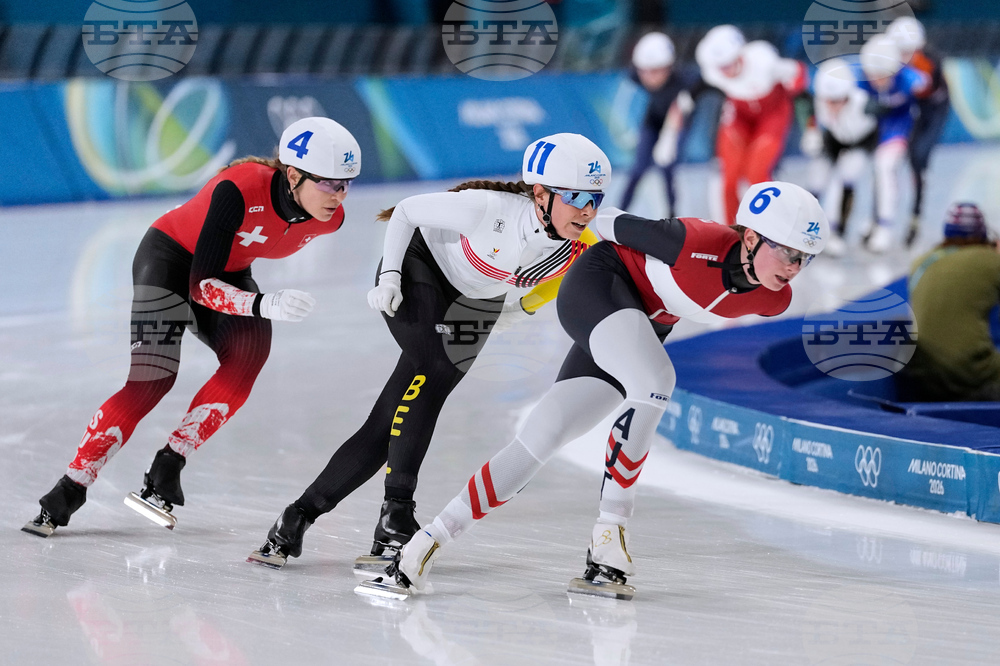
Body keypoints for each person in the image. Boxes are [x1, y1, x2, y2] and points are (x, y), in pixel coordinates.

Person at [357, 180, 828, 601]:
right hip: (599, 286)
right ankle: (611, 533)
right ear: (749, 237)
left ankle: (426, 543)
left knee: (544, 434)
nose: (795, 267)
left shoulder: (774, 298)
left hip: (638, 325)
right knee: (657, 380)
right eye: (788, 252)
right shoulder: (692, 240)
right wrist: (530, 291)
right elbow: (596, 224)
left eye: (804, 258)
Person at [247, 133, 609, 570]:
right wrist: (390, 278)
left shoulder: (579, 242)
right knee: (434, 368)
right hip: (421, 271)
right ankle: (397, 510)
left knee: (389, 420)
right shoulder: (489, 209)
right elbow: (406, 212)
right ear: (540, 194)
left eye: (594, 197)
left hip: (478, 303)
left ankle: (298, 516)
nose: (586, 209)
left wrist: (513, 312)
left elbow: (544, 287)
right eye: (574, 196)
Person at [22, 117, 362, 537]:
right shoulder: (237, 188)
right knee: (152, 380)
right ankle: (70, 488)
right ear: (293, 175)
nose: (339, 196)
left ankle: (169, 463)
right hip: (169, 259)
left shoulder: (330, 218)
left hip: (227, 270)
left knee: (248, 356)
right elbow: (200, 287)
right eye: (329, 183)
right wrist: (262, 302)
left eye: (347, 184)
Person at [695, 25, 807, 225]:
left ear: (740, 55)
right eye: (721, 67)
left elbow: (798, 74)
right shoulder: (711, 72)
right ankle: (733, 233)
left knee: (755, 174)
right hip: (740, 115)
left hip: (772, 114)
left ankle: (777, 228)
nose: (726, 71)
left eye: (729, 64)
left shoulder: (764, 61)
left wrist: (808, 120)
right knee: (729, 180)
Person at [898, 203, 1000, 402]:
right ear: (982, 234)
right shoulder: (989, 260)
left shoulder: (921, 262)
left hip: (923, 376)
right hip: (971, 374)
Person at [855, 34, 930, 253]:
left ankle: (885, 226)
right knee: (873, 174)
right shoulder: (860, 79)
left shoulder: (909, 79)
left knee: (885, 167)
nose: (877, 81)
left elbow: (926, 85)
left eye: (882, 76)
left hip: (901, 129)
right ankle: (874, 218)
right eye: (872, 76)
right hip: (874, 130)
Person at [619, 31, 699, 217]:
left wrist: (671, 136)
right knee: (638, 169)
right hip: (653, 120)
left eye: (655, 71)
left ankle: (672, 216)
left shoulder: (686, 81)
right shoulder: (635, 76)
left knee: (667, 167)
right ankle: (619, 212)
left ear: (669, 67)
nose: (649, 77)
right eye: (644, 71)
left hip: (677, 123)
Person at [886, 17, 950, 246]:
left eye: (908, 52)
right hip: (911, 109)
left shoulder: (929, 62)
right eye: (899, 51)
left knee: (918, 158)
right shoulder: (892, 60)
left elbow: (922, 87)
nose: (903, 58)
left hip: (933, 112)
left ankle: (915, 215)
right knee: (885, 161)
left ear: (919, 48)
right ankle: (881, 218)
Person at [805, 58, 879, 256]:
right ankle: (804, 228)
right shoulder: (819, 101)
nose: (832, 105)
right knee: (817, 182)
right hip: (834, 139)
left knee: (847, 177)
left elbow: (890, 113)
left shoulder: (866, 105)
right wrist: (811, 131)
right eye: (828, 100)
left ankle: (838, 232)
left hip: (861, 141)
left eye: (838, 100)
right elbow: (809, 114)